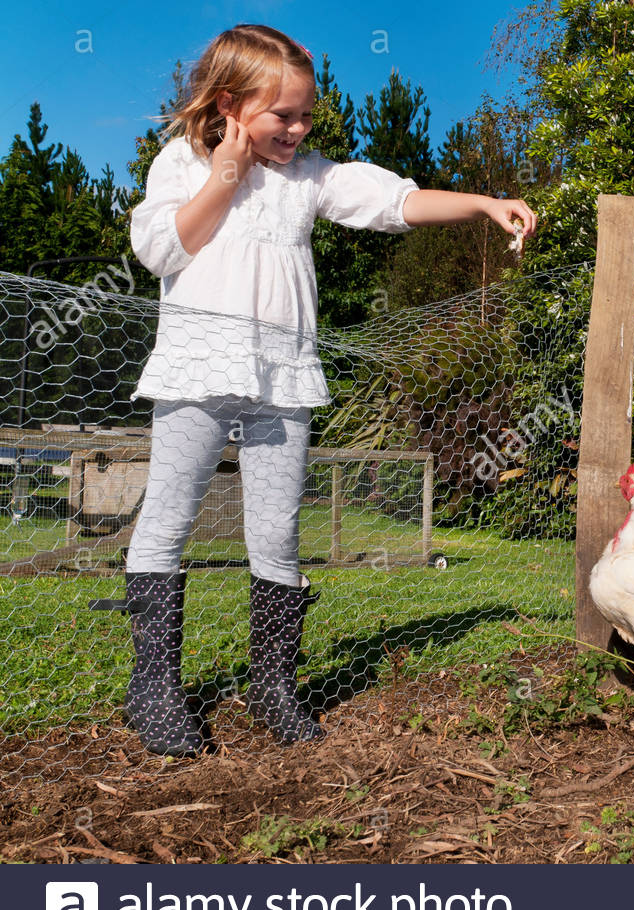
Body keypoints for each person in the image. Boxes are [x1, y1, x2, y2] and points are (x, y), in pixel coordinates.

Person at [123, 23, 536, 755]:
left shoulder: (308, 177)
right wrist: (224, 171)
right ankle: (154, 689)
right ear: (229, 103)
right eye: (283, 115)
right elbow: (161, 247)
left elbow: (394, 203)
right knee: (168, 520)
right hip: (197, 370)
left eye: (307, 114)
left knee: (278, 532)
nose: (299, 127)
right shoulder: (182, 166)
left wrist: (479, 202)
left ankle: (273, 686)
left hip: (281, 379)